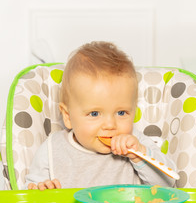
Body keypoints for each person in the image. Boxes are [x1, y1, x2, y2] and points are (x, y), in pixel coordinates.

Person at [25, 41, 176, 190]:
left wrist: (139, 155)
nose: (110, 125)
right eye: (95, 113)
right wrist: (41, 190)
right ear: (68, 117)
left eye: (121, 113)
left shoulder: (135, 143)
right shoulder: (52, 149)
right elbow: (30, 195)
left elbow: (168, 182)